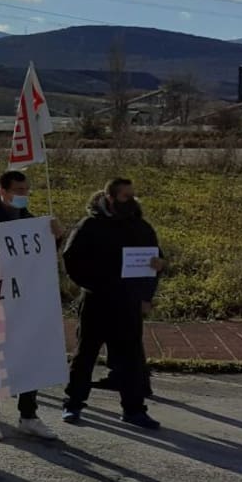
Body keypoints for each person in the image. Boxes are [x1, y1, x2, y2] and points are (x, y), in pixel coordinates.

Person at [62, 178, 165, 431]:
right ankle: (73, 403)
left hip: (128, 302)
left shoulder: (140, 227)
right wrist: (94, 283)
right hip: (97, 300)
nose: (131, 201)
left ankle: (134, 410)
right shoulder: (89, 226)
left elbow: (155, 260)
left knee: (130, 358)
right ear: (109, 198)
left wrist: (147, 292)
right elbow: (71, 258)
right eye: (124, 197)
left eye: (132, 196)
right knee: (85, 354)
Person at [0, 171, 62, 442]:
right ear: (2, 191)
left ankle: (28, 415)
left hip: (24, 301)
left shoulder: (29, 221)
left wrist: (55, 237)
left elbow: (40, 258)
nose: (24, 195)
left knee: (29, 354)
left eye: (27, 190)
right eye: (19, 190)